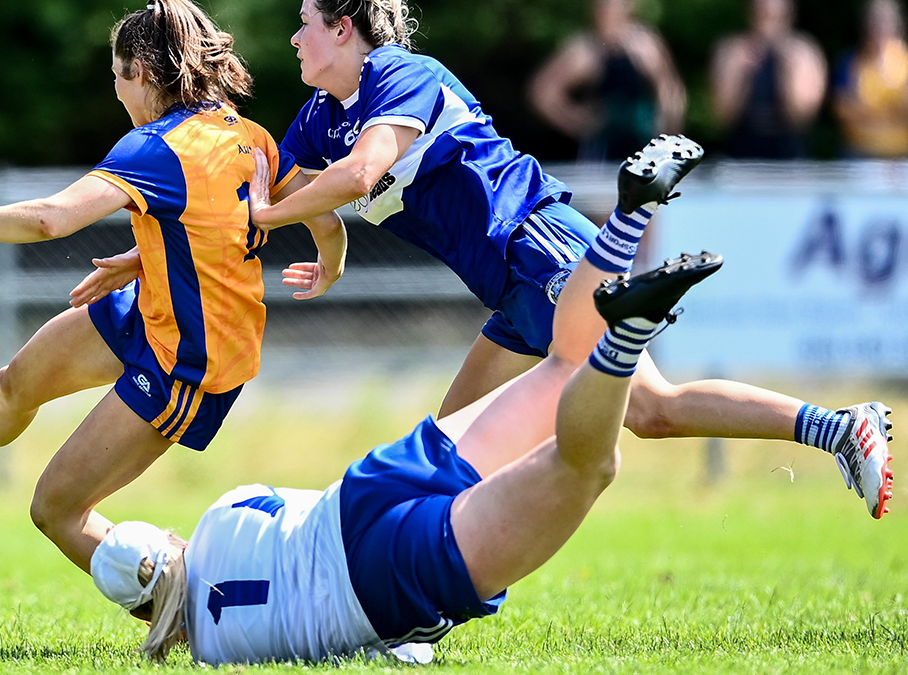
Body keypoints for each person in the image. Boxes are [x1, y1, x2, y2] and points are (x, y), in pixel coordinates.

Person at [87, 167, 894, 662]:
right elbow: (289, 505)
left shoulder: (216, 653)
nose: (299, 37)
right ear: (168, 542)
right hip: (362, 491)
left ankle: (638, 331)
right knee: (572, 379)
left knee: (591, 458)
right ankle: (629, 222)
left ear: (151, 620)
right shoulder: (220, 515)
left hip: (385, 573)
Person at [233, 0, 885, 517]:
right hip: (511, 288)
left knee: (647, 410)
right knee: (447, 449)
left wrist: (263, 215)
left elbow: (357, 175)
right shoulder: (319, 119)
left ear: (343, 29)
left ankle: (839, 429)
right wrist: (330, 256)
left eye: (304, 24)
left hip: (539, 245)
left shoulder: (401, 75)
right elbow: (305, 195)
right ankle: (429, 605)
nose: (294, 39)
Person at [0, 0, 347, 574]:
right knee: (14, 383)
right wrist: (327, 267)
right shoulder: (252, 137)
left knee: (57, 509)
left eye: (117, 76)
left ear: (140, 71)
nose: (116, 92)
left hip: (193, 359)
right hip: (150, 310)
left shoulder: (155, 147)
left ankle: (208, 607)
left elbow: (51, 220)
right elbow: (324, 221)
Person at [529, 0, 686, 162]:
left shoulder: (646, 45)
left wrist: (669, 129)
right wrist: (576, 121)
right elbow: (543, 92)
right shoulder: (585, 50)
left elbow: (669, 89)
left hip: (644, 144)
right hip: (603, 149)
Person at [710, 0, 827, 159]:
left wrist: (786, 73)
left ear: (788, 17)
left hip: (790, 151)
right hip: (740, 150)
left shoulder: (804, 52)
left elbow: (803, 118)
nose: (768, 26)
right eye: (763, 16)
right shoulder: (732, 50)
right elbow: (722, 118)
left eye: (776, 17)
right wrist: (742, 76)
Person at [834, 0, 908, 158]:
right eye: (874, 22)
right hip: (859, 152)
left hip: (901, 155)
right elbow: (844, 112)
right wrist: (891, 112)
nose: (880, 28)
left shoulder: (905, 62)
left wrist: (867, 113)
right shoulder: (850, 61)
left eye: (885, 22)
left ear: (897, 25)